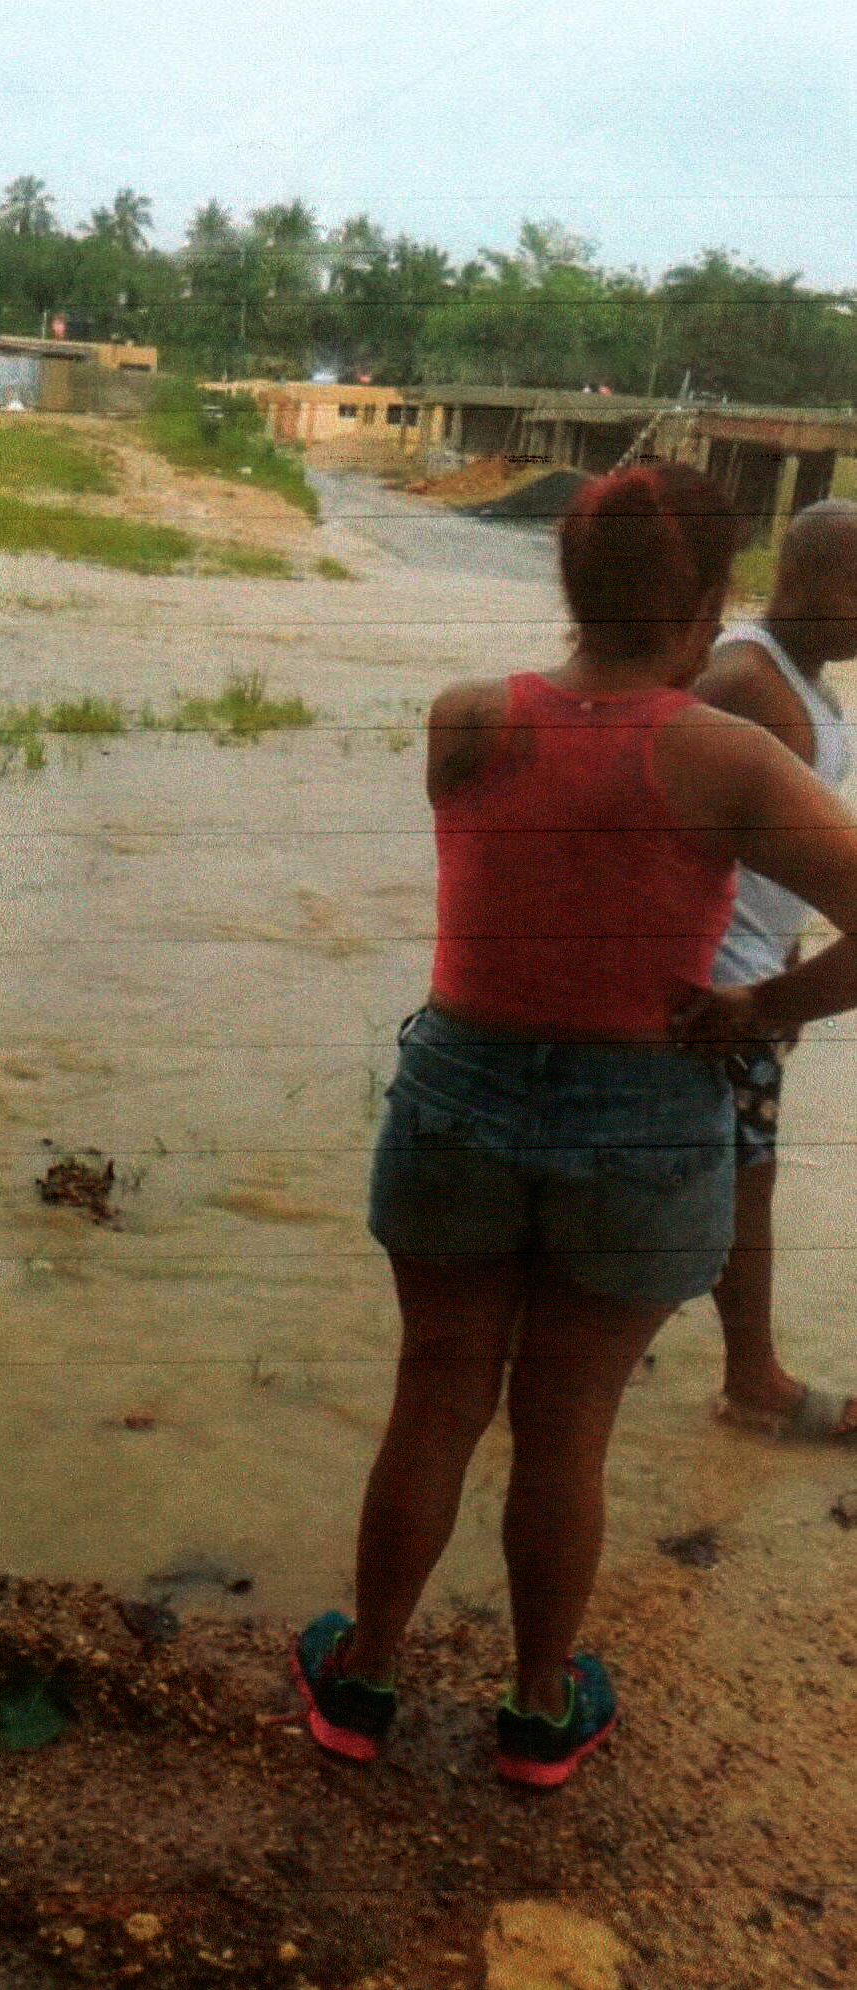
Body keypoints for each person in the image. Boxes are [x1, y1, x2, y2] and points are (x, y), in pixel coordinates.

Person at [291, 464, 857, 1789]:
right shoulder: (728, 756)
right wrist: (762, 1006)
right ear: (709, 603)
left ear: (564, 581)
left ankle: (362, 1677)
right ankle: (538, 1708)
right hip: (645, 1109)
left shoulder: (463, 718)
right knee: (567, 1425)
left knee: (433, 1396)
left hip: (458, 1092)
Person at [692, 501, 857, 1440]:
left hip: (754, 971)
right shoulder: (745, 682)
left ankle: (553, 1347)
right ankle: (752, 1380)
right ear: (809, 582)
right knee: (743, 1181)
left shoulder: (803, 680)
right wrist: (755, 995)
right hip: (718, 986)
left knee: (720, 1172)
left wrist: (786, 961)